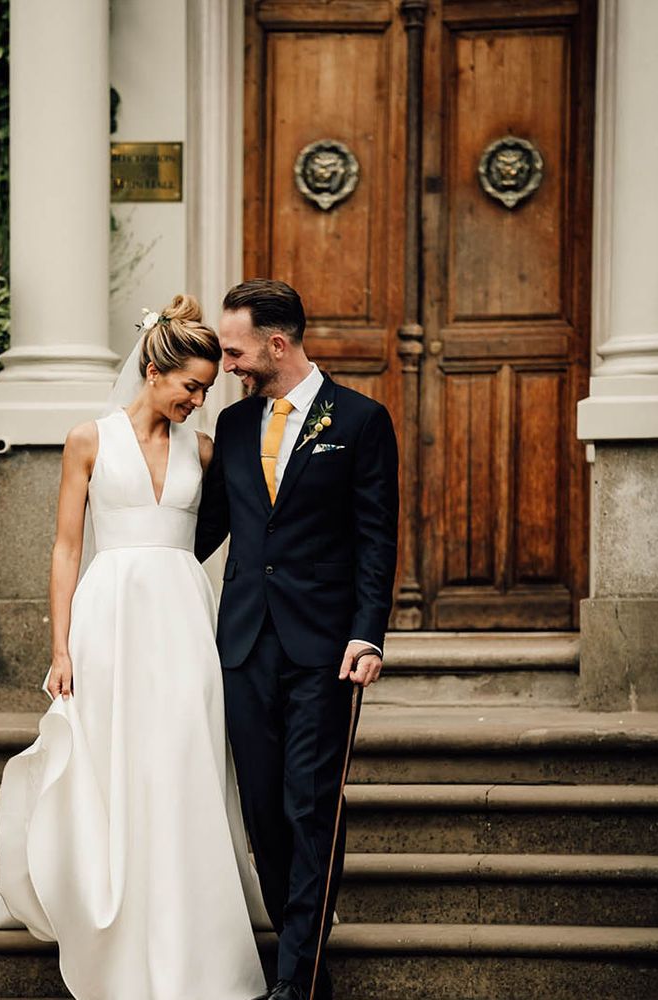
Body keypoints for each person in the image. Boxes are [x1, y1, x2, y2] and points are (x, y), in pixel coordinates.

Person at [0, 294, 269, 1000]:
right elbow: (65, 550)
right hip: (108, 618)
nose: (198, 401)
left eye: (207, 389)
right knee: (115, 760)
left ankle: (188, 922)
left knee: (184, 757)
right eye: (190, 386)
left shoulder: (204, 450)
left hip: (184, 619)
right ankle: (113, 908)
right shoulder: (88, 440)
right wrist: (61, 648)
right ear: (153, 370)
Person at [195, 279, 400, 1000]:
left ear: (276, 344)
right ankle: (305, 956)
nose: (226, 366)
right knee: (262, 812)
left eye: (234, 352)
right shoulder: (233, 426)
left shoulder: (362, 420)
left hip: (325, 651)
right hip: (244, 645)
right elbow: (205, 528)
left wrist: (367, 635)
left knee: (309, 806)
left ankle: (296, 983)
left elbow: (376, 540)